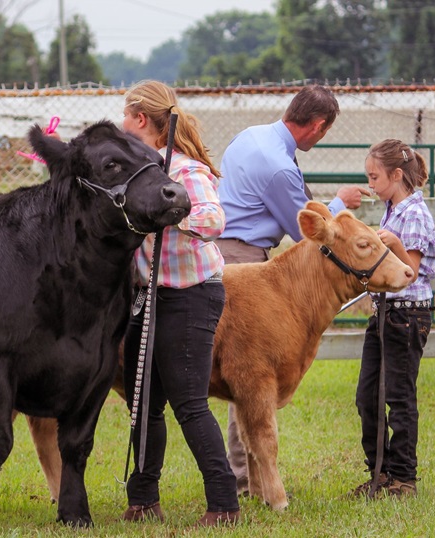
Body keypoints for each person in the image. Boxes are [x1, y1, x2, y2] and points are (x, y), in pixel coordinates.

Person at [215, 84, 371, 494]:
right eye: (325, 131)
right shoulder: (280, 166)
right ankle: (246, 477)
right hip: (243, 260)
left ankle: (247, 475)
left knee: (240, 371)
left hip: (220, 252)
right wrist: (339, 204)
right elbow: (302, 229)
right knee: (252, 371)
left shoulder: (250, 136)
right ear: (318, 126)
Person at [118, 80, 240, 527]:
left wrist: (171, 210)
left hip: (190, 295)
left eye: (124, 116)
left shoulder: (183, 170)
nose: (120, 125)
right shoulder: (139, 171)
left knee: (189, 402)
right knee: (142, 400)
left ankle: (225, 504)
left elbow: (213, 219)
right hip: (149, 296)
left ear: (140, 119)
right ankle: (144, 498)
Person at [350, 138, 435, 498]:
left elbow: (411, 272)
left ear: (397, 174)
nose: (370, 184)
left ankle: (404, 478)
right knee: (367, 396)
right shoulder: (392, 210)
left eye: (374, 177)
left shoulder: (415, 214)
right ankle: (380, 473)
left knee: (399, 397)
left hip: (407, 316)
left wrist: (393, 245)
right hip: (383, 313)